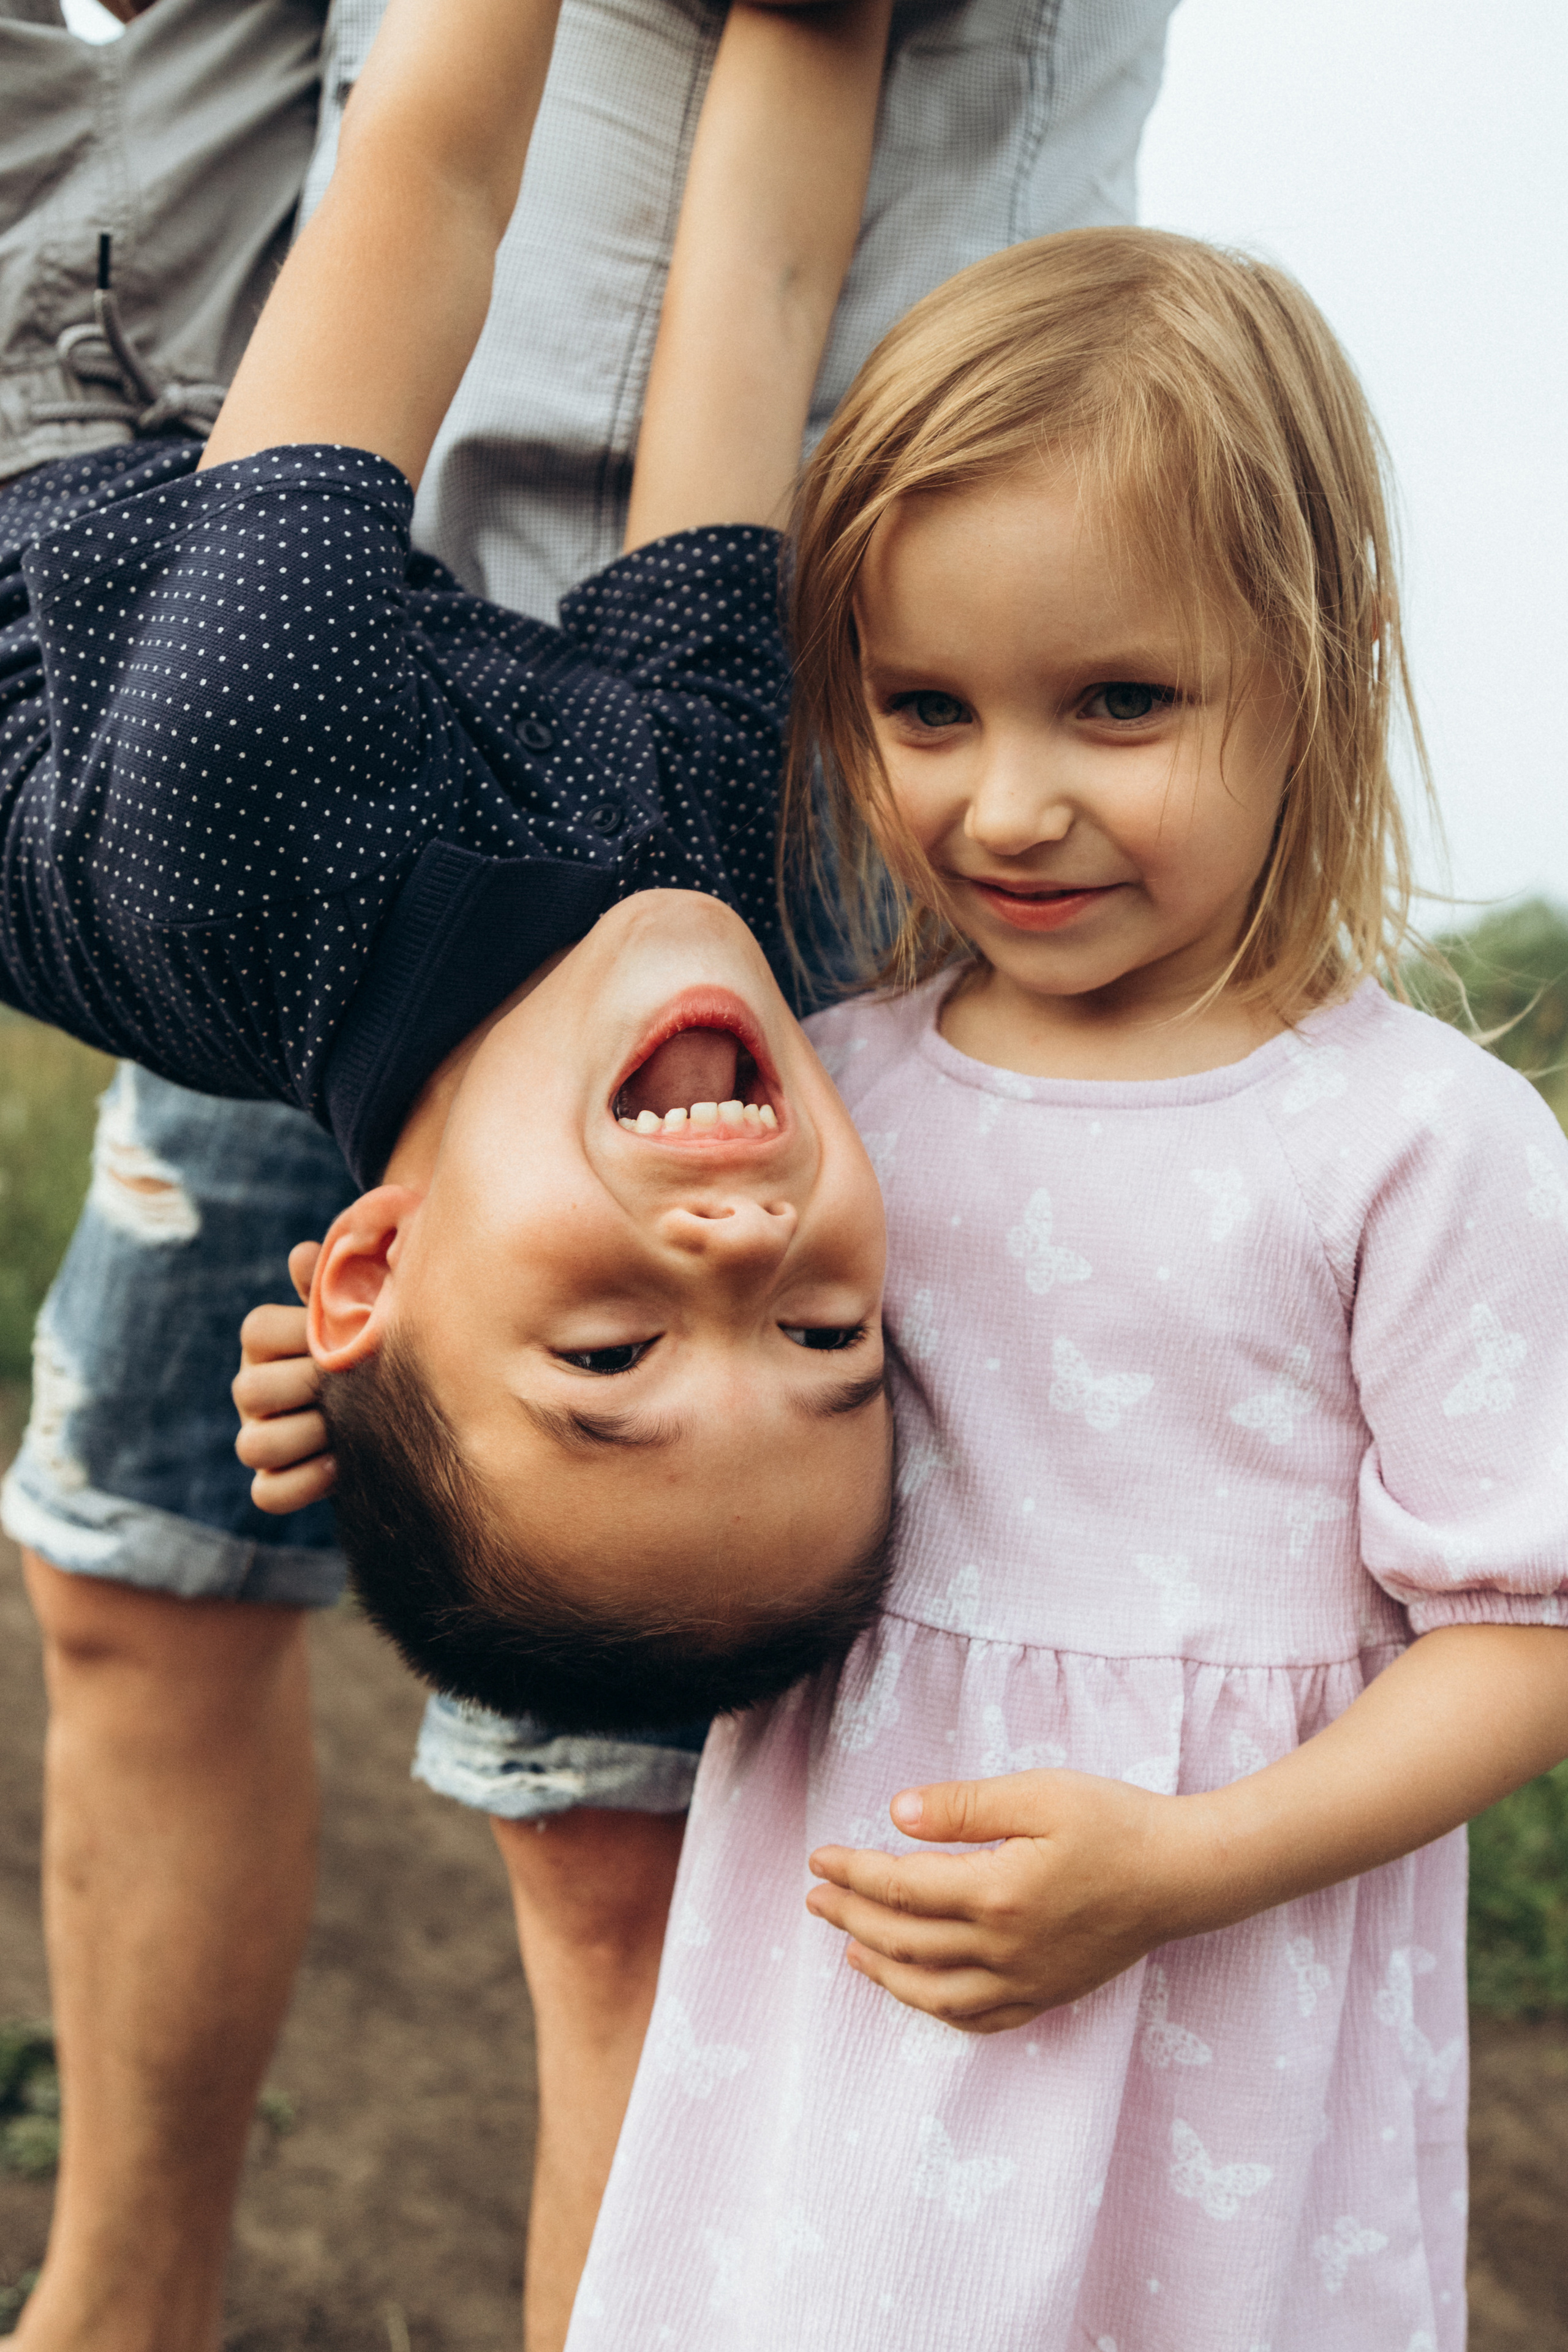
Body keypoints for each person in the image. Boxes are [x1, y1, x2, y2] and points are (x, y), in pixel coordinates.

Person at [1, 2, 1178, 2348]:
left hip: (70, 376)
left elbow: (429, 178)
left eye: (622, 1347)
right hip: (317, 558)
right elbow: (743, 306)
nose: (742, 1250)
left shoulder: (258, 793)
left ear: (368, 1268)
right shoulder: (685, 839)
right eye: (830, 1339)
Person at [550, 231, 1568, 2350]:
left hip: (1217, 1991)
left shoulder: (1420, 1148)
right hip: (845, 1992)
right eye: (926, 709)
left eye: (1119, 701)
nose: (1006, 803)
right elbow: (630, 1386)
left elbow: (1524, 1640)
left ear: (1324, 656)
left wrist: (1182, 1868)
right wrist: (380, 1404)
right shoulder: (822, 1095)